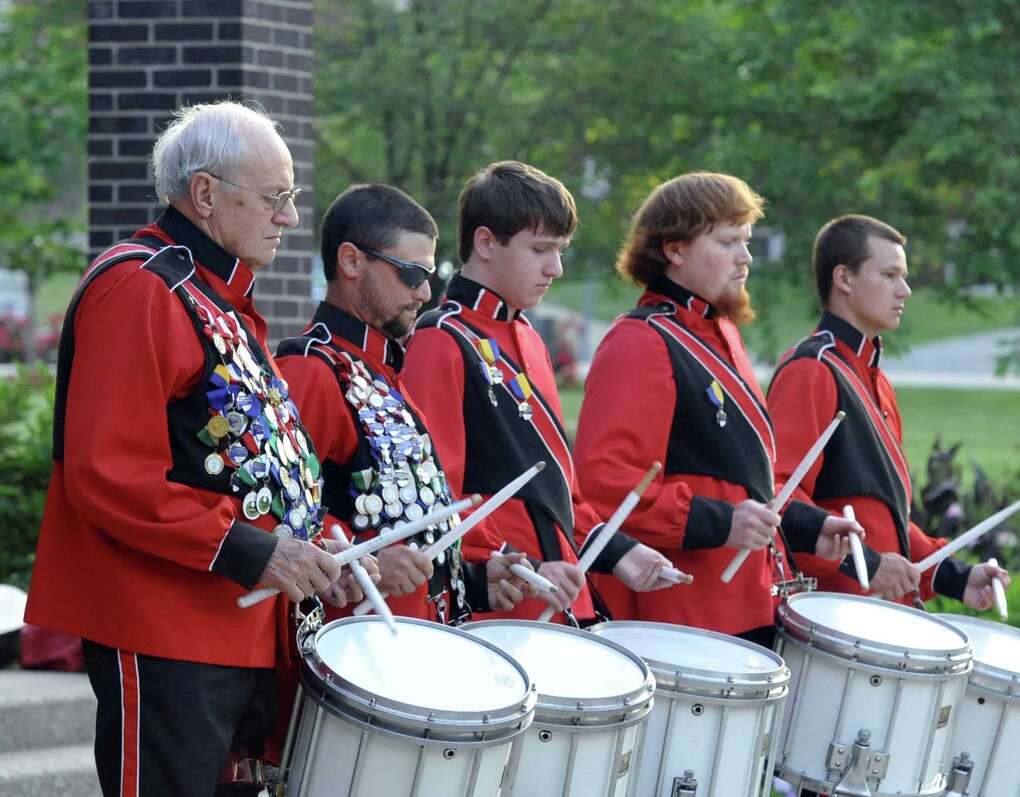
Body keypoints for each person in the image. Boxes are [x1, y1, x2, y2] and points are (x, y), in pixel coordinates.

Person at [22, 102, 373, 797]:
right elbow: (110, 473)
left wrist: (316, 544)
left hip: (236, 628)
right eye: (276, 198)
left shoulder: (212, 295)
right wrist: (255, 550)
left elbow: (258, 468)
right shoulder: (140, 286)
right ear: (206, 193)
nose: (291, 218)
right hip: (162, 629)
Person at [574, 172, 861, 647]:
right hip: (680, 613)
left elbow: (744, 478)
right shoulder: (640, 341)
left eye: (745, 241)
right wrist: (722, 523)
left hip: (746, 597)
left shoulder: (720, 332)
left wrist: (808, 527)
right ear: (675, 249)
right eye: (728, 242)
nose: (745, 257)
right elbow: (608, 482)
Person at [403, 160, 677, 623]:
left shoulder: (527, 335)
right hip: (504, 604)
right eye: (541, 249)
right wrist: (518, 564)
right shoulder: (440, 339)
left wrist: (620, 552)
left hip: (559, 593)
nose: (556, 268)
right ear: (485, 242)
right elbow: (437, 497)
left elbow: (558, 496)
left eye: (561, 250)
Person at [276, 183, 537, 624]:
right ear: (352, 261)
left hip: (409, 640)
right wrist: (367, 562)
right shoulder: (312, 369)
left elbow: (408, 520)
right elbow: (281, 516)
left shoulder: (382, 368)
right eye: (412, 275)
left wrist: (472, 577)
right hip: (353, 650)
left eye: (430, 277)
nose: (424, 294)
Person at [767, 214, 1008, 608]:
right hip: (835, 619)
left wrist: (956, 577)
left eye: (904, 276)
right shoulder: (811, 370)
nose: (906, 291)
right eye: (890, 275)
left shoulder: (875, 379)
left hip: (878, 616)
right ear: (844, 279)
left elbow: (886, 520)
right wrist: (863, 564)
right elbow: (778, 501)